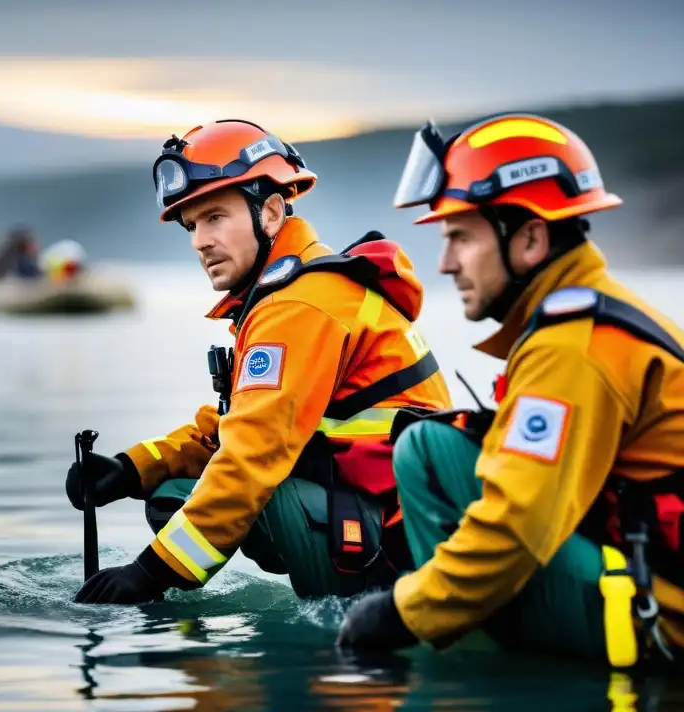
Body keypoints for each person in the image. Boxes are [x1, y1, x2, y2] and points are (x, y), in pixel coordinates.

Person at [336, 112, 684, 669]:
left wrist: (403, 614)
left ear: (530, 239)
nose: (446, 264)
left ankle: (463, 673)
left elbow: (518, 526)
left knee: (428, 457)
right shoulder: (593, 319)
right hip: (647, 578)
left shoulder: (571, 349)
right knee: (433, 444)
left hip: (655, 621)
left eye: (461, 238)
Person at [66, 119, 452, 605]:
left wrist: (149, 573)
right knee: (171, 489)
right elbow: (238, 425)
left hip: (403, 543)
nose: (199, 241)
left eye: (214, 217)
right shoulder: (297, 293)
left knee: (203, 491)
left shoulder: (298, 306)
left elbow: (249, 456)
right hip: (404, 523)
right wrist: (131, 469)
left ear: (269, 212)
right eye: (192, 226)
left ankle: (351, 613)